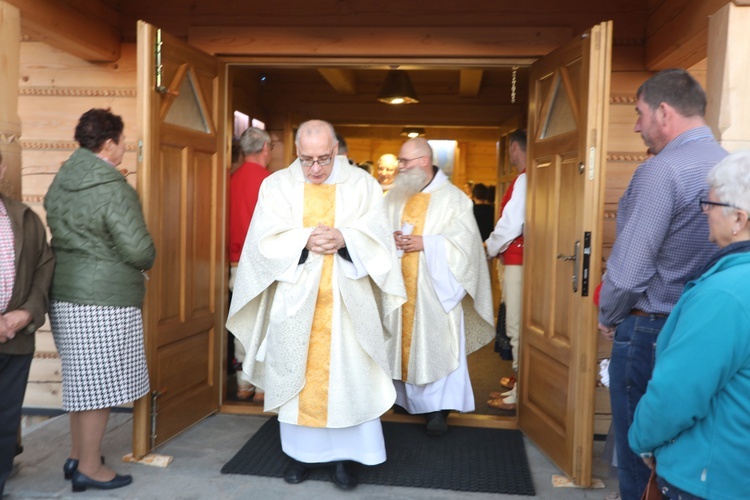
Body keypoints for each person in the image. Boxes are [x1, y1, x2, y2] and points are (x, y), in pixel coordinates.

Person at [226, 120, 405, 491]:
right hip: (295, 301)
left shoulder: (362, 185)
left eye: (325, 158)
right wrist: (304, 240)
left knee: (348, 379)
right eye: (307, 160)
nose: (317, 169)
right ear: (295, 153)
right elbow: (261, 244)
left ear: (337, 148)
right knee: (296, 375)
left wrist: (347, 238)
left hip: (347, 304)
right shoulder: (276, 186)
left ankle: (345, 461)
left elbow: (380, 242)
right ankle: (299, 456)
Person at [597, 69, 727, 500]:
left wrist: (610, 315)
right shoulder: (732, 168)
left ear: (664, 111)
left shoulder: (661, 171)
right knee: (689, 450)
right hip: (711, 327)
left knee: (642, 453)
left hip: (651, 327)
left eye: (639, 114)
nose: (635, 125)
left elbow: (631, 270)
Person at [43, 108, 156, 493]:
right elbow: (139, 250)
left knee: (83, 383)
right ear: (109, 144)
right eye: (122, 141)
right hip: (104, 298)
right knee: (101, 388)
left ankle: (77, 455)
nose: (124, 148)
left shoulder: (63, 177)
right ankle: (90, 467)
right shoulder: (111, 187)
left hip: (65, 293)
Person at [629, 151, 750, 500]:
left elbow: (677, 393)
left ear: (738, 219)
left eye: (710, 203)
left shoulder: (726, 296)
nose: (704, 212)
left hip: (710, 476)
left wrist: (642, 440)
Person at [384, 137, 495, 436]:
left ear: (423, 162)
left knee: (436, 345)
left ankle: (438, 409)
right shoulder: (395, 196)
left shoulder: (454, 199)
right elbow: (378, 229)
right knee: (399, 343)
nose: (400, 167)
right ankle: (403, 400)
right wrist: (389, 238)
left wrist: (425, 244)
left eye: (404, 162)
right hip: (401, 288)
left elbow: (467, 248)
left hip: (436, 290)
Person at [0, 152, 55, 497]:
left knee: (6, 420)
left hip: (16, 338)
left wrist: (26, 313)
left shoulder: (24, 216)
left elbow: (43, 268)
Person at [228, 127, 272, 402]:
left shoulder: (229, 180)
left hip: (233, 264)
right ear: (266, 148)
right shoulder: (271, 183)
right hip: (263, 264)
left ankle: (243, 384)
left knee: (242, 324)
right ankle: (263, 387)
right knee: (267, 325)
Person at [485, 130, 527, 411]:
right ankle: (519, 384)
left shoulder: (525, 178)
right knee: (516, 325)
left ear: (514, 148)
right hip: (516, 259)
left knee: (516, 326)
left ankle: (518, 395)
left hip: (517, 259)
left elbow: (512, 223)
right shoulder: (527, 176)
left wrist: (488, 248)